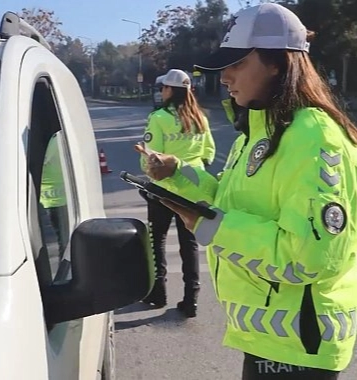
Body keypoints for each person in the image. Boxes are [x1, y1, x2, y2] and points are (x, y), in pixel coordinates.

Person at [138, 3, 357, 379]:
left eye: (237, 64)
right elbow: (229, 196)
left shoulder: (312, 137)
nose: (224, 77)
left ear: (278, 63)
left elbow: (310, 256)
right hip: (268, 340)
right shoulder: (259, 129)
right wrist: (176, 173)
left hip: (299, 348)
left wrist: (211, 226)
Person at [139, 69, 215, 317]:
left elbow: (151, 159)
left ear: (170, 90)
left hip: (164, 190)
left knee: (156, 240)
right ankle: (191, 299)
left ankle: (158, 292)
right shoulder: (200, 118)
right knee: (189, 244)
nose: (162, 92)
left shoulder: (158, 117)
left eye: (163, 88)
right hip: (193, 190)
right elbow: (209, 153)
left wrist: (148, 173)